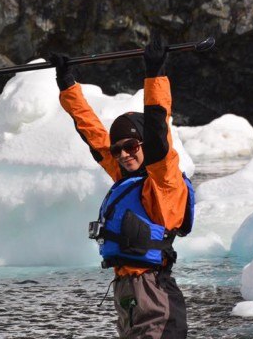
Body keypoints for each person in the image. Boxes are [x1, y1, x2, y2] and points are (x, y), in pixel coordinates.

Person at [51, 34, 195, 339]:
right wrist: (67, 84)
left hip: (155, 292)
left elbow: (157, 133)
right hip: (127, 293)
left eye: (130, 146)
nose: (123, 154)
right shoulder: (126, 178)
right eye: (119, 149)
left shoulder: (164, 180)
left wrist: (154, 73)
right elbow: (93, 134)